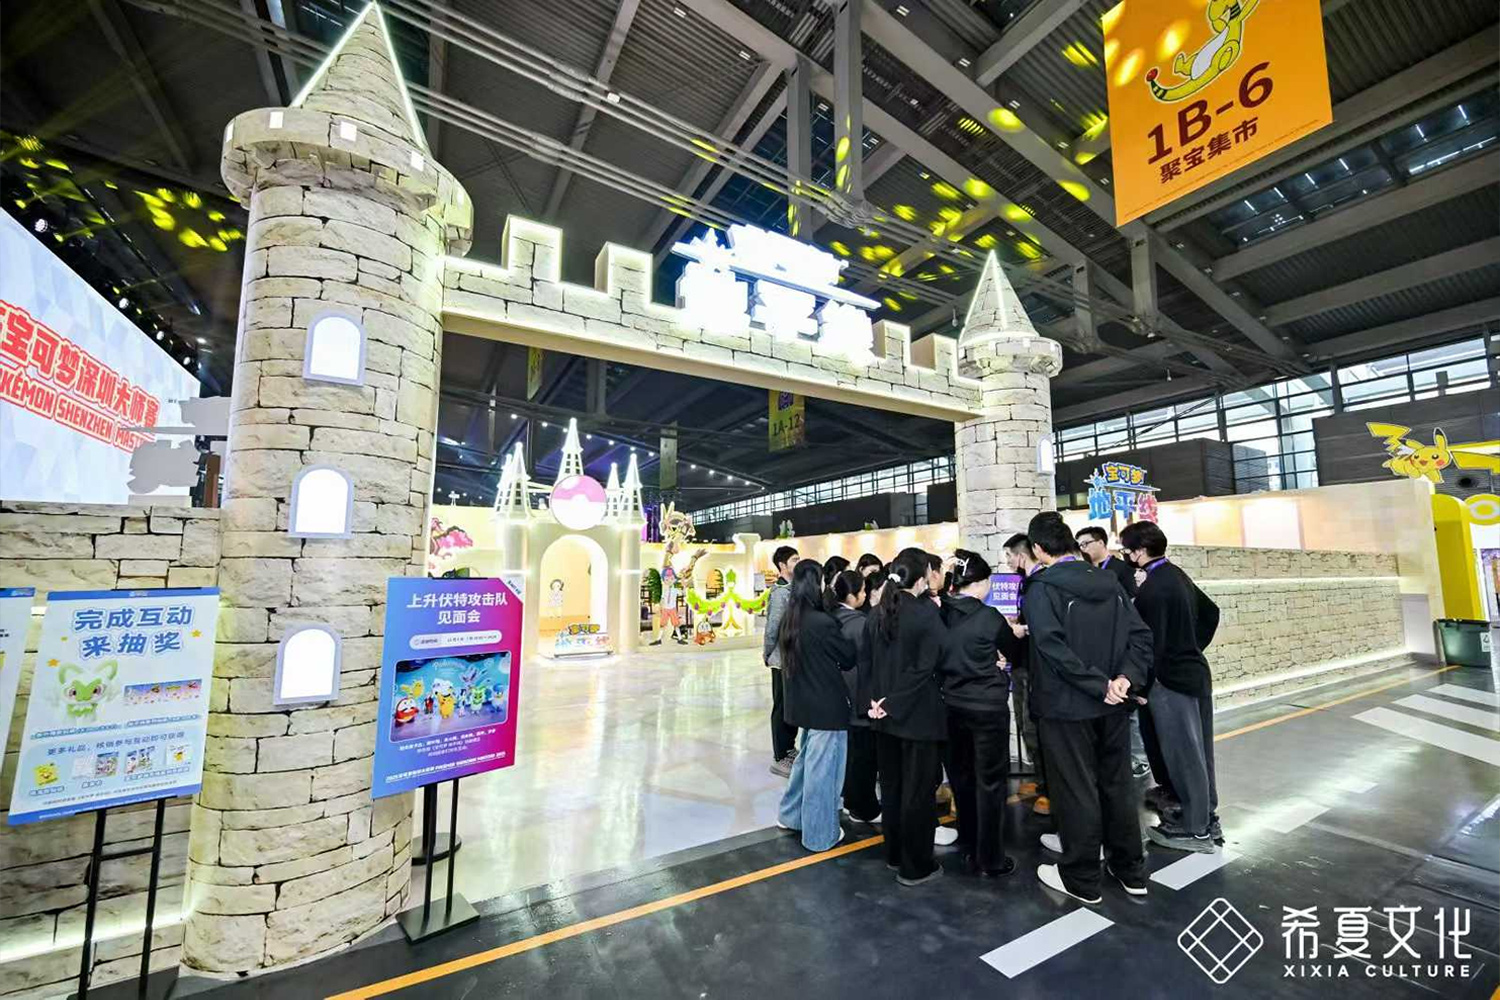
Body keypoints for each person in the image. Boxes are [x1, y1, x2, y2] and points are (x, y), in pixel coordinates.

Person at [1023, 512, 1153, 904]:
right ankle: (1130, 868)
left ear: (1038, 549)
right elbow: (1140, 636)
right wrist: (1124, 679)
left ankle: (1081, 877)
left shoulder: (1041, 588)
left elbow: (1052, 648)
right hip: (1113, 702)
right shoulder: (1110, 581)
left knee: (1075, 790)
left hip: (1067, 707)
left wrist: (1098, 685)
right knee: (1117, 785)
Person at [1120, 520, 1223, 853]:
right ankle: (1206, 817)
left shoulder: (1152, 590)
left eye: (1127, 550)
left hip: (1170, 682)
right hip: (1194, 672)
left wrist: (1139, 685)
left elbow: (1149, 645)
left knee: (1183, 757)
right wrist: (1190, 646)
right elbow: (1211, 613)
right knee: (1199, 754)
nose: (1126, 556)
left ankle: (1195, 830)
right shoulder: (1176, 575)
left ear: (1139, 551)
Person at [865, 548, 948, 885]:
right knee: (918, 794)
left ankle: (894, 854)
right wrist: (894, 703)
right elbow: (926, 667)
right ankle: (916, 866)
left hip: (882, 717)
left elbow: (866, 663)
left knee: (893, 789)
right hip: (916, 717)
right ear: (922, 575)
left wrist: (876, 702)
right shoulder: (926, 613)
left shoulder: (877, 612)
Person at [938, 549, 1017, 878]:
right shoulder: (990, 618)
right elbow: (1015, 652)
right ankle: (991, 858)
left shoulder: (940, 613)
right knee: (991, 783)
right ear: (982, 583)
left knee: (961, 778)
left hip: (951, 705)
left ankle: (968, 839)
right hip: (987, 709)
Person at [776, 559, 858, 852]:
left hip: (803, 706)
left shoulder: (791, 618)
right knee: (823, 772)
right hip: (827, 706)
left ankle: (790, 815)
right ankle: (820, 835)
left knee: (805, 763)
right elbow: (848, 657)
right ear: (816, 584)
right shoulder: (822, 622)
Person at [1077, 526, 1151, 780]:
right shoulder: (1087, 573)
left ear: (1101, 542)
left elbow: (1133, 613)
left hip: (1123, 649)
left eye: (1086, 543)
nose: (1083, 549)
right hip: (1100, 652)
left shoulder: (1121, 571)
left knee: (1128, 709)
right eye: (1080, 545)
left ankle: (1138, 758)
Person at [998, 533, 1048, 816]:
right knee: (1026, 724)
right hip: (1021, 664)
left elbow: (1045, 626)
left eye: (1009, 556)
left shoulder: (1040, 583)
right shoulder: (1026, 582)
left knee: (1033, 725)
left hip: (1033, 666)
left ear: (1020, 554)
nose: (1007, 562)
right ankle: (1041, 780)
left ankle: (1050, 787)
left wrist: (1022, 629)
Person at [831, 569, 880, 824]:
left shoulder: (832, 618)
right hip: (860, 696)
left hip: (840, 696)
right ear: (852, 596)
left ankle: (850, 800)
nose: (865, 595)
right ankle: (864, 808)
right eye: (862, 591)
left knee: (850, 755)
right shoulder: (860, 624)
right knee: (863, 758)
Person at [764, 545, 800, 776]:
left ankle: (789, 748)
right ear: (782, 565)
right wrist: (767, 653)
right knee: (781, 706)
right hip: (780, 658)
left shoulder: (794, 589)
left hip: (792, 657)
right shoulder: (780, 592)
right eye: (794, 560)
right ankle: (780, 755)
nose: (798, 563)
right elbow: (772, 627)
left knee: (790, 704)